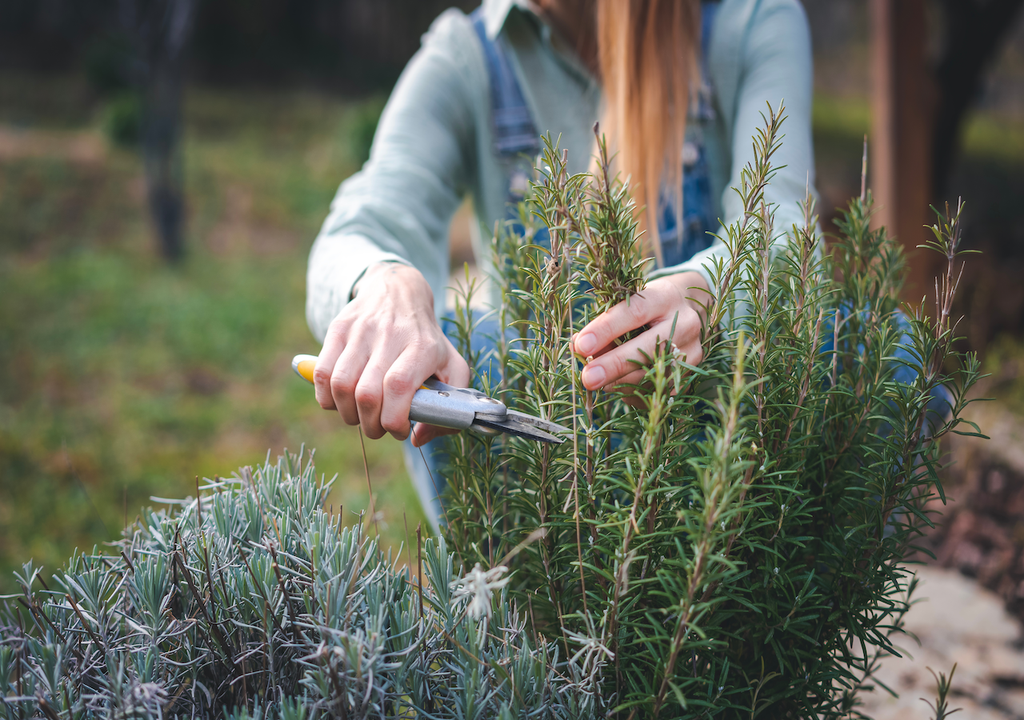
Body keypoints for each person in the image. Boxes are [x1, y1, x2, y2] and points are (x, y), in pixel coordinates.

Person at [305, 0, 816, 528]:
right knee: (460, 347)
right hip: (543, 481)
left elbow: (786, 230)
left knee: (854, 340)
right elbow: (361, 227)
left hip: (717, 456)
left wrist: (712, 294)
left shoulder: (748, 22)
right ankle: (503, 582)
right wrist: (385, 284)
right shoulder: (469, 55)